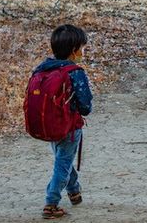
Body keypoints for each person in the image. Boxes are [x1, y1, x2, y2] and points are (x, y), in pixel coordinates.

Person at [33, 24, 93, 220]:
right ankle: (51, 202)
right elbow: (85, 105)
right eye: (82, 49)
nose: (83, 53)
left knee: (63, 160)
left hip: (49, 123)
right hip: (69, 126)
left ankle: (74, 190)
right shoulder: (75, 72)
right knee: (63, 163)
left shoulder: (42, 69)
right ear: (75, 50)